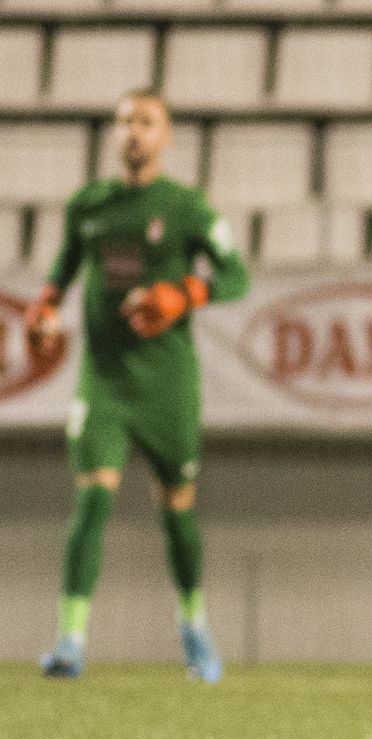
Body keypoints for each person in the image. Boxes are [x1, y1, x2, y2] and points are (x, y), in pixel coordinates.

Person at [26, 88, 250, 683]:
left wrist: (184, 293)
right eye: (125, 121)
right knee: (92, 499)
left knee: (178, 509)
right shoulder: (88, 205)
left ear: (166, 136)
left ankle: (194, 627)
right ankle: (70, 640)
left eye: (147, 122)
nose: (134, 132)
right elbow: (63, 270)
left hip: (168, 386)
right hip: (103, 382)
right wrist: (45, 310)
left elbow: (236, 276)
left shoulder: (185, 208)